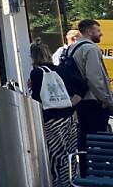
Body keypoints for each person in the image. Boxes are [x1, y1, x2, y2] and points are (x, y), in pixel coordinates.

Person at [29, 41, 78, 187]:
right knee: (69, 154)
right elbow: (71, 90)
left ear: (33, 56)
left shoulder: (36, 73)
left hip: (51, 120)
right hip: (68, 117)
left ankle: (57, 183)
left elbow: (37, 99)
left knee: (56, 155)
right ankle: (71, 181)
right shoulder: (61, 70)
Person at [69, 20, 113, 165]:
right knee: (99, 139)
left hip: (80, 100)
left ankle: (85, 169)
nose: (101, 33)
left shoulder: (72, 48)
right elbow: (94, 78)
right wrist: (106, 99)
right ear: (89, 31)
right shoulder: (91, 49)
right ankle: (99, 171)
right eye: (98, 30)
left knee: (84, 138)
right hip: (94, 101)